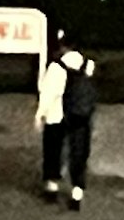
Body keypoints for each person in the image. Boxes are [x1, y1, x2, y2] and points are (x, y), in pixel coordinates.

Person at [37, 36, 100, 206]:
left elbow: (48, 94)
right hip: (80, 115)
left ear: (62, 47)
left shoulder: (56, 67)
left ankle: (52, 186)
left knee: (53, 150)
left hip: (57, 114)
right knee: (79, 151)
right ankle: (77, 191)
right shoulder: (89, 65)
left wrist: (40, 114)